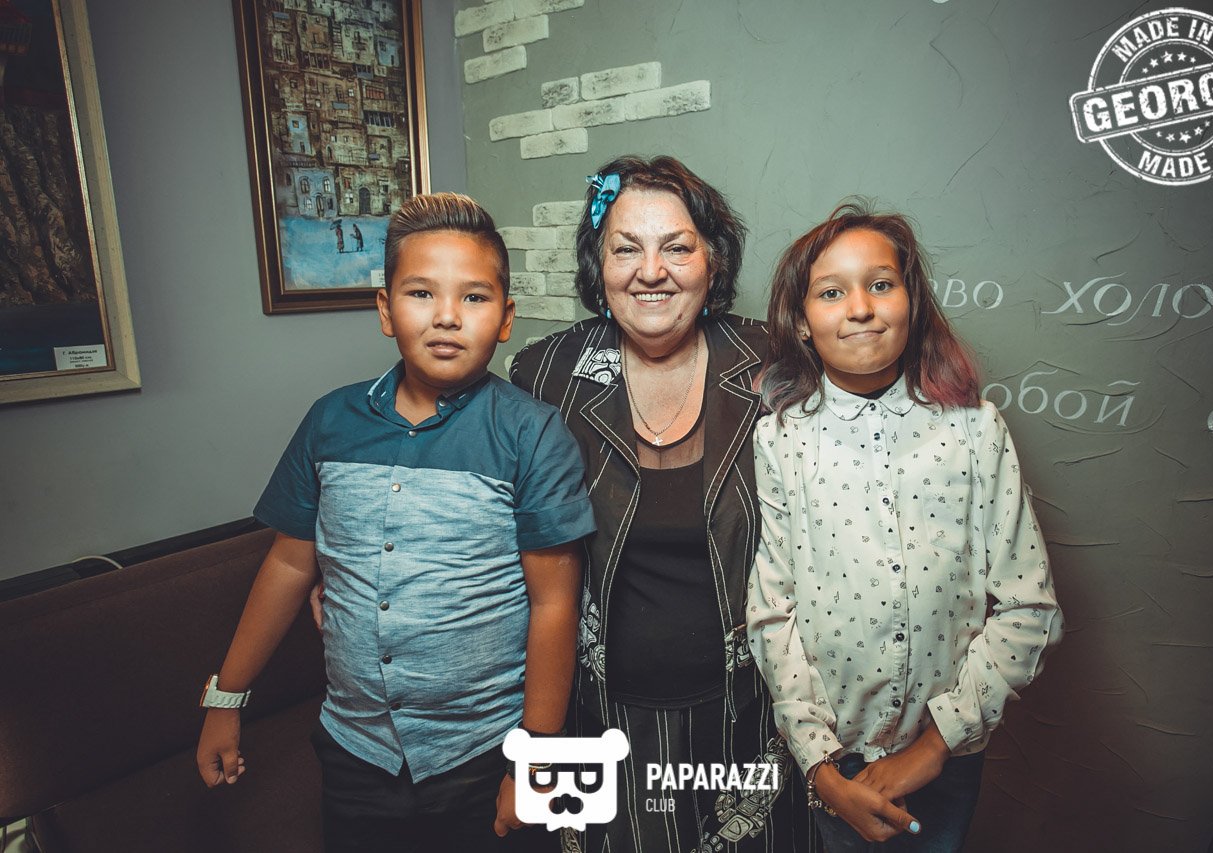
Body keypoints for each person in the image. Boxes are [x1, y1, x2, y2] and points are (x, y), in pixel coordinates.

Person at [196, 192, 594, 853]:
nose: (446, 315)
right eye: (420, 293)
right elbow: (290, 563)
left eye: (474, 297)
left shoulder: (533, 434)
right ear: (386, 310)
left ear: (505, 319)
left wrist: (536, 759)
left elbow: (554, 603)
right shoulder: (330, 422)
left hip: (485, 751)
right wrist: (226, 697)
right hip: (356, 753)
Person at [510, 156, 815, 853]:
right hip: (598, 717)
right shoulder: (545, 375)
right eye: (626, 249)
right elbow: (496, 521)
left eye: (677, 247)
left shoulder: (779, 365)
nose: (651, 271)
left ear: (713, 260)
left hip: (751, 716)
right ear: (599, 265)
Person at [747, 202, 1063, 852]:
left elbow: (1030, 607)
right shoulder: (782, 439)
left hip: (948, 754)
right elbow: (772, 610)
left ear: (912, 301)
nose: (860, 308)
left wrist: (933, 746)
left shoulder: (974, 430)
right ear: (801, 321)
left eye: (881, 284)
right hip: (836, 758)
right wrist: (821, 765)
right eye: (831, 292)